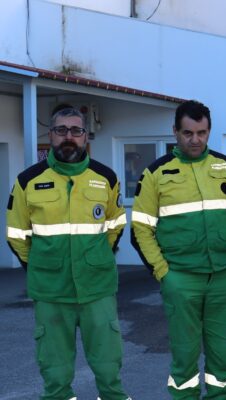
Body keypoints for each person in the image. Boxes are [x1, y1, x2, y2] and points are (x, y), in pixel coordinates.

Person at [130, 100, 226, 399]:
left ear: (209, 131)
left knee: (223, 360)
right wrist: (163, 273)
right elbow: (141, 229)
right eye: (188, 132)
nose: (195, 139)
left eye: (201, 132)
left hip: (225, 277)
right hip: (181, 279)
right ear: (175, 131)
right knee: (184, 362)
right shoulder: (156, 174)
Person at [7, 106, 130, 400]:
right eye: (61, 130)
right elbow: (16, 235)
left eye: (76, 130)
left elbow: (115, 227)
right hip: (51, 293)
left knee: (109, 370)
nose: (69, 137)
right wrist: (40, 266)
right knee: (56, 375)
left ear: (86, 136)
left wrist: (96, 260)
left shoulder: (106, 177)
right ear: (50, 135)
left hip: (97, 289)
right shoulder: (28, 181)